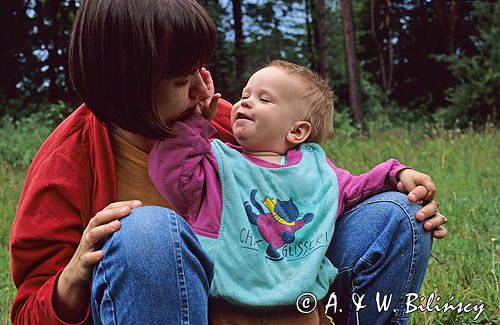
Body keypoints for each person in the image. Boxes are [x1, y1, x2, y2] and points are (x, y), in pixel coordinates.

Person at [9, 0, 447, 324]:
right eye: (182, 81)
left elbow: (307, 189)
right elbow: (28, 312)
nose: (204, 91)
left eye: (202, 69)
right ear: (127, 88)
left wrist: (399, 186)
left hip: (282, 301)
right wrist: (73, 277)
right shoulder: (66, 163)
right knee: (144, 229)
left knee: (399, 214)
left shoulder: (222, 124)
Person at [147, 60, 443, 324]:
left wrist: (397, 173)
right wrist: (196, 124)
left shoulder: (316, 168)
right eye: (245, 95)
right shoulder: (216, 160)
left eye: (264, 99)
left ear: (297, 132)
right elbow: (171, 175)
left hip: (298, 310)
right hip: (225, 304)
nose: (245, 102)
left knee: (402, 208)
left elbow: (355, 187)